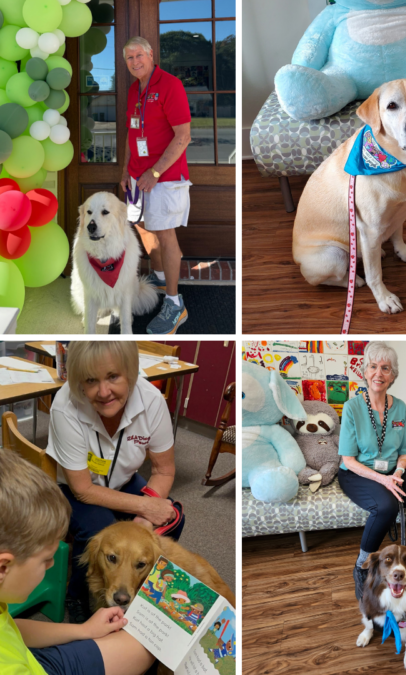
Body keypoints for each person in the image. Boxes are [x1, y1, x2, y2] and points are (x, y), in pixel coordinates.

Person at [45, 342, 178, 622]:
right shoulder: (65, 406)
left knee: (173, 517)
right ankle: (77, 595)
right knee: (99, 531)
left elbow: (164, 470)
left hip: (123, 481)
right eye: (91, 380)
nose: (104, 392)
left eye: (113, 376)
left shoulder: (152, 401)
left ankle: (143, 587)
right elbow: (83, 490)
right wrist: (145, 507)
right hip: (74, 488)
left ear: (131, 372)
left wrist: (144, 522)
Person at [0, 449, 155, 675]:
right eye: (46, 560)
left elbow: (10, 628)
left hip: (24, 653)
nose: (52, 565)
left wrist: (84, 630)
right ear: (3, 567)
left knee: (140, 648)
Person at [338, 342, 406, 599]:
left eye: (385, 368)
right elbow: (348, 459)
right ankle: (361, 566)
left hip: (394, 470)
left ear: (393, 375)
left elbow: (405, 451)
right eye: (373, 366)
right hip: (358, 472)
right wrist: (383, 480)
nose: (378, 373)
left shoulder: (400, 407)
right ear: (365, 372)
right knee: (386, 506)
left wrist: (398, 473)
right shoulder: (352, 408)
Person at [120, 36, 193, 334]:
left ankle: (175, 304)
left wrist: (156, 172)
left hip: (164, 178)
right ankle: (162, 279)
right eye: (129, 58)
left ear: (151, 55)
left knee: (165, 235)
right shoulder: (134, 90)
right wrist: (126, 171)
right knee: (143, 227)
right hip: (137, 177)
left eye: (139, 55)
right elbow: (131, 132)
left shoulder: (170, 85)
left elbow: (183, 136)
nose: (135, 61)